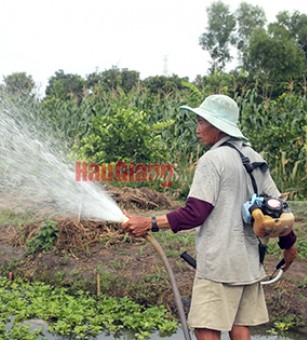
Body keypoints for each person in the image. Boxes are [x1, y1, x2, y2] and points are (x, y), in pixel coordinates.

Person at [122, 94, 297, 340]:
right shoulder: (255, 159)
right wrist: (289, 247)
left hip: (220, 265)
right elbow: (280, 211)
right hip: (248, 263)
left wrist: (149, 223)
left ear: (217, 125)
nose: (197, 129)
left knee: (206, 327)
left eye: (201, 122)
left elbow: (196, 212)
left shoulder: (213, 159)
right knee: (239, 325)